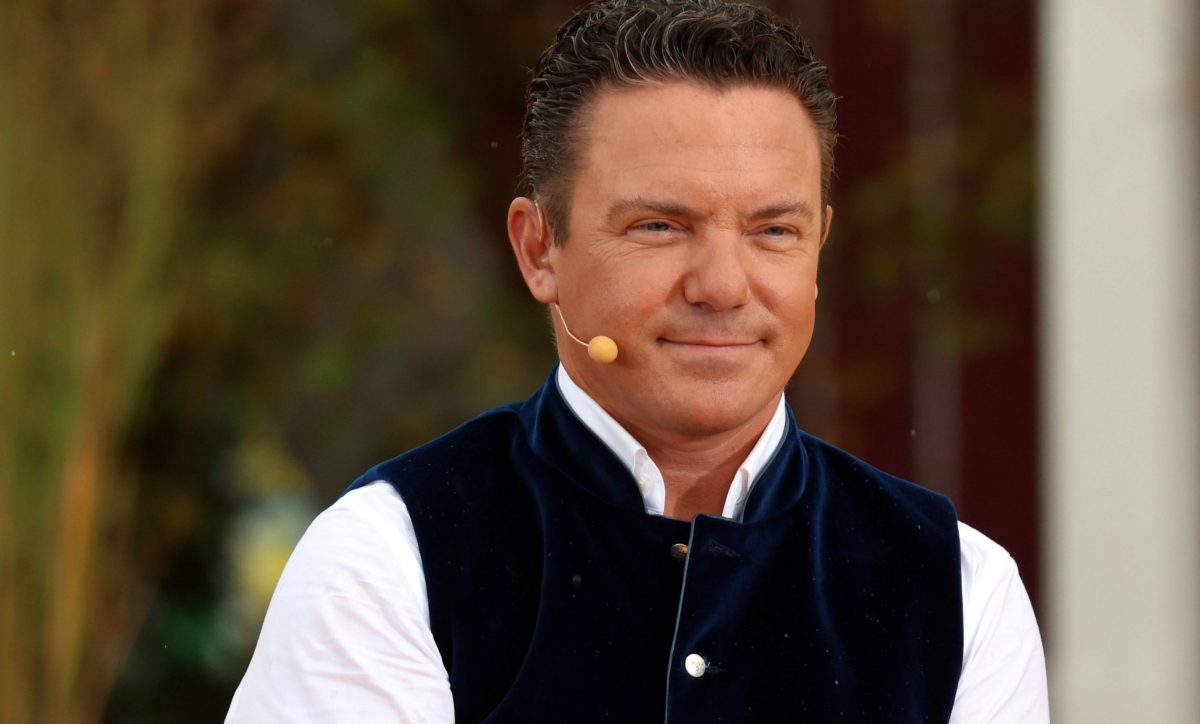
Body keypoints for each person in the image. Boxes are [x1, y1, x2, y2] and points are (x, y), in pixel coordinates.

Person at [226, 1, 1048, 721]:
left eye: (774, 230)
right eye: (659, 226)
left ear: (819, 249)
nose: (722, 286)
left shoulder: (958, 589)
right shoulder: (391, 561)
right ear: (539, 248)